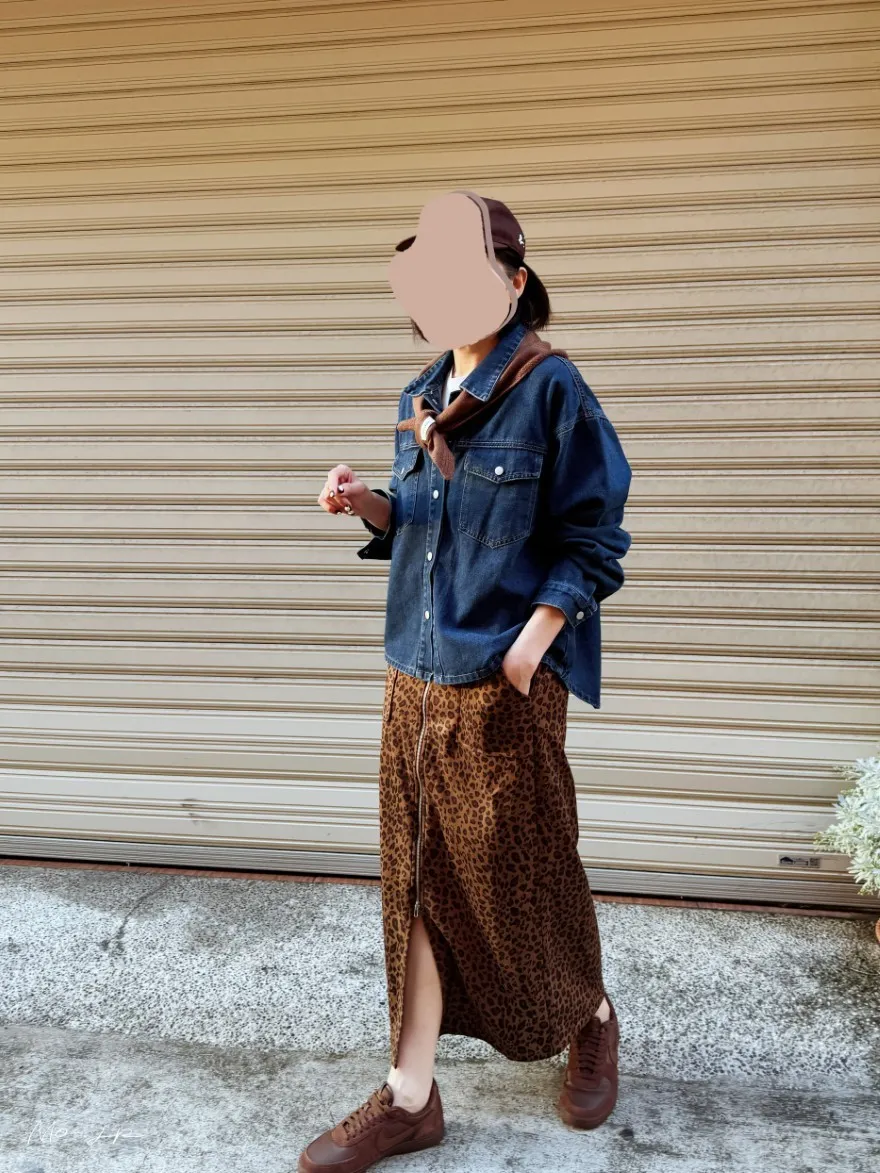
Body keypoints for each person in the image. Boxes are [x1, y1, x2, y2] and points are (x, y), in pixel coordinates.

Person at [300, 195, 632, 1173]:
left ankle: (590, 1015)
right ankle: (411, 1094)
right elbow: (423, 519)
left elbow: (594, 539)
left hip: (502, 686)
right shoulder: (420, 395)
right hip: (412, 678)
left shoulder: (552, 389)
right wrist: (366, 501)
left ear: (515, 282)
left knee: (525, 874)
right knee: (413, 881)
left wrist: (531, 644)